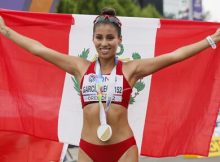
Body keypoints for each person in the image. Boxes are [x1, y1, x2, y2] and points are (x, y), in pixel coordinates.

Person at [0, 7, 220, 162]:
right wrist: (6, 31)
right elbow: (39, 50)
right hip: (88, 149)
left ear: (119, 40)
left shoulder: (131, 69)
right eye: (99, 37)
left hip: (123, 148)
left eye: (110, 38)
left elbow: (174, 56)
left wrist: (212, 40)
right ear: (93, 39)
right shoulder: (79, 67)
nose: (104, 43)